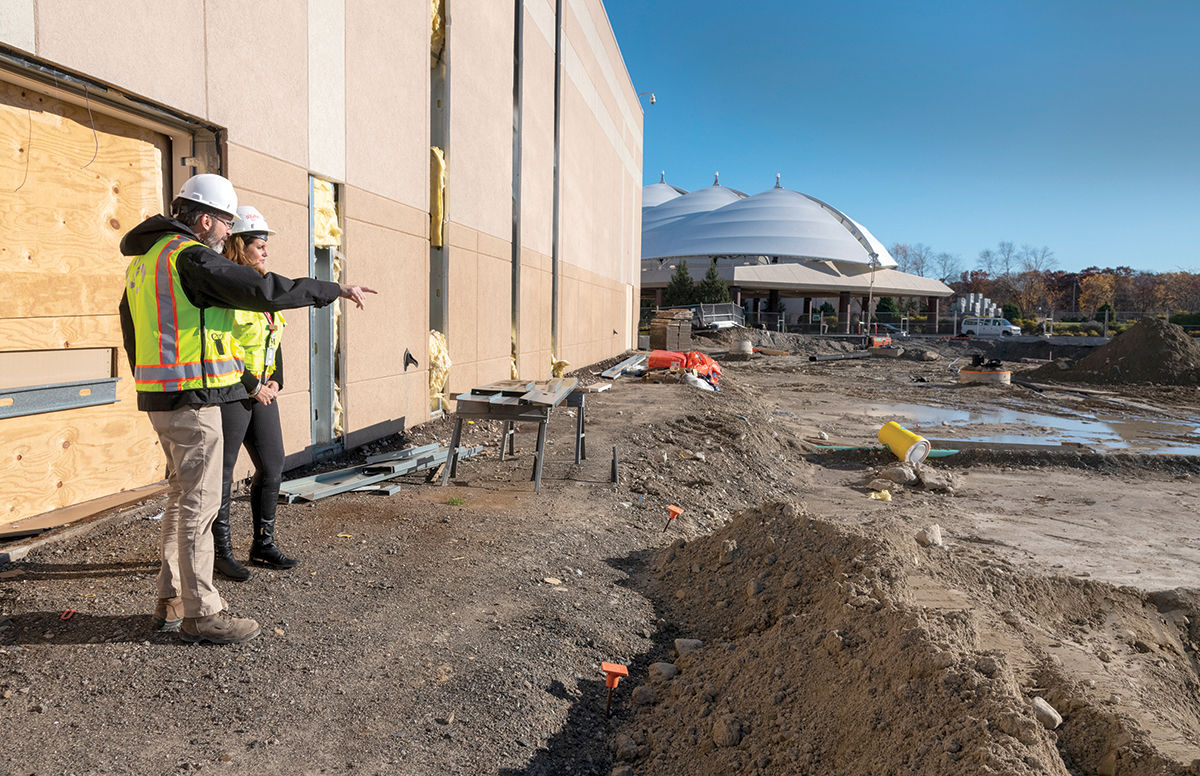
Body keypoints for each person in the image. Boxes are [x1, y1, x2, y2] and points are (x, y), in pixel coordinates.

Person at [120, 174, 375, 645]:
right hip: (192, 400)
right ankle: (203, 613)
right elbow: (263, 291)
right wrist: (331, 289)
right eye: (224, 224)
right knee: (199, 503)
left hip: (164, 396)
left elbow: (132, 330)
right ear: (203, 220)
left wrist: (150, 382)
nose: (227, 234)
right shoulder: (191, 256)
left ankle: (172, 598)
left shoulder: (146, 261)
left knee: (182, 499)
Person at [211, 206, 297, 581]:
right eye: (259, 245)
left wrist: (276, 377)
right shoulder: (228, 287)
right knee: (224, 474)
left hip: (263, 392)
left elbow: (272, 339)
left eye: (266, 246)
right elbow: (221, 343)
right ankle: (220, 553)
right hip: (233, 391)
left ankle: (262, 545)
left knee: (273, 465)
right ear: (238, 245)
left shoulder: (263, 286)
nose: (266, 252)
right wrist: (252, 385)